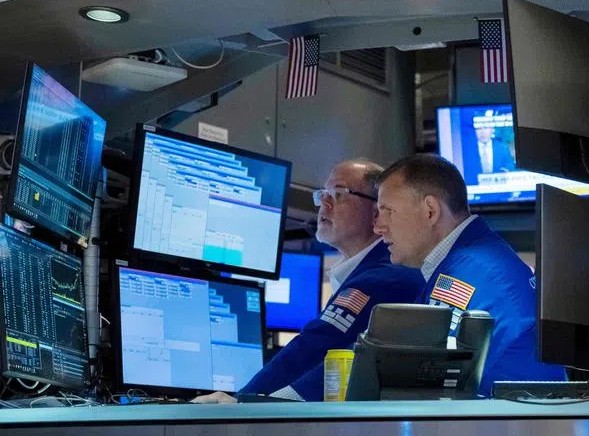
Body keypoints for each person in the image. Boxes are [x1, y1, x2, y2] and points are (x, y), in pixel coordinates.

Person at [194, 159, 424, 403]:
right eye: (323, 194)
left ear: (376, 211)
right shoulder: (369, 271)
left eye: (338, 194)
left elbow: (311, 348)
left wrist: (242, 403)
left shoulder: (386, 276)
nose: (324, 203)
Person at [373, 153, 565, 395]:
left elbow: (422, 385)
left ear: (430, 211)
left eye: (387, 210)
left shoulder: (463, 275)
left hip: (511, 425)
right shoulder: (477, 259)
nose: (378, 226)